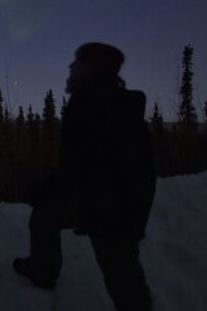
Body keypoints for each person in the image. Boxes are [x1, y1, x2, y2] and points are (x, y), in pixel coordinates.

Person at [14, 42, 156, 311]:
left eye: (77, 62)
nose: (70, 67)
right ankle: (42, 273)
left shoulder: (98, 107)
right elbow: (77, 166)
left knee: (122, 276)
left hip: (113, 208)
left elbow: (89, 167)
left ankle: (44, 273)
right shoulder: (96, 102)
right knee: (45, 216)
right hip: (103, 201)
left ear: (92, 69)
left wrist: (47, 189)